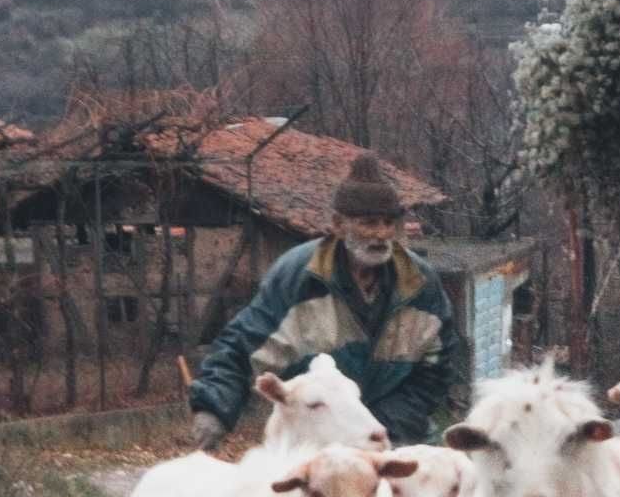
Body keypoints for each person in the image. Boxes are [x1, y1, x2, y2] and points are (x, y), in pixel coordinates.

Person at [188, 150, 460, 450]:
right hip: (314, 439)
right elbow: (242, 347)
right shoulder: (299, 278)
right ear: (338, 224)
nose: (382, 234)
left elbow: (436, 371)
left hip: (397, 436)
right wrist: (213, 407)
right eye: (369, 223)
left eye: (388, 223)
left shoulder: (419, 284)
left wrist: (378, 425)